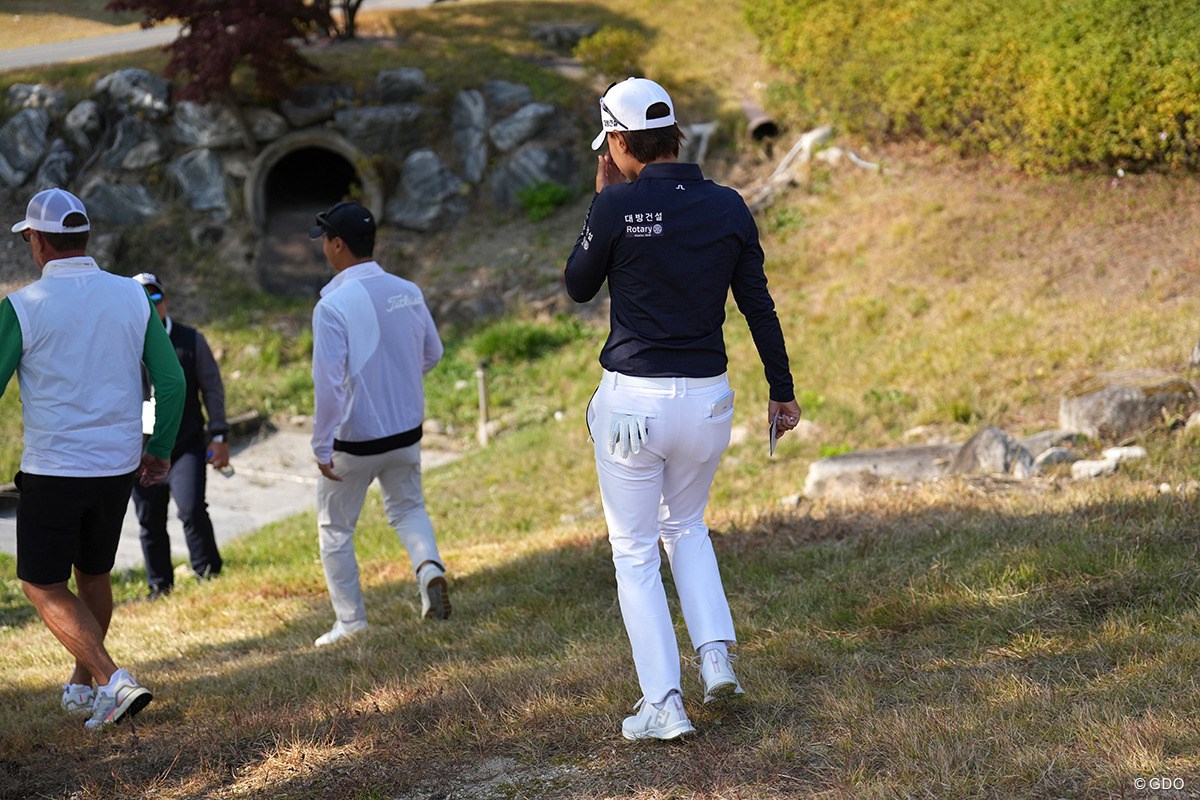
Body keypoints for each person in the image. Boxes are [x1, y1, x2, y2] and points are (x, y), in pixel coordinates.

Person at [564, 78, 803, 741]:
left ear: (617, 141)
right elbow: (758, 303)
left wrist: (601, 205)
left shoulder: (615, 206)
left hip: (632, 406)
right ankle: (717, 658)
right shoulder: (727, 204)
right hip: (708, 402)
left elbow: (577, 286)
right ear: (676, 134)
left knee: (636, 552)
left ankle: (664, 706)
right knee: (687, 526)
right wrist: (781, 390)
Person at [0, 188, 185, 728]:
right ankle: (85, 685)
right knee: (94, 573)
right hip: (117, 465)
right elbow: (170, 381)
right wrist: (160, 448)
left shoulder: (21, 307)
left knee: (40, 583)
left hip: (55, 467)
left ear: (37, 242)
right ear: (83, 238)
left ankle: (112, 678)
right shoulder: (132, 296)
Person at [307, 200, 451, 647]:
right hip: (406, 432)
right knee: (408, 508)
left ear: (337, 245)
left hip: (355, 440)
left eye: (325, 242)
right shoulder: (408, 289)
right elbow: (433, 354)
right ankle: (428, 569)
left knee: (335, 529)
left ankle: (351, 622)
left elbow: (329, 385)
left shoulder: (332, 305)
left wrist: (320, 443)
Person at [129, 272, 230, 600]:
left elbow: (212, 389)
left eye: (155, 298)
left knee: (190, 509)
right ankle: (159, 585)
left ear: (166, 300)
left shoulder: (190, 340)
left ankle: (208, 572)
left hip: (185, 445)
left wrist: (219, 434)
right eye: (142, 299)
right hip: (140, 447)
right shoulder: (123, 345)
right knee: (149, 519)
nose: (150, 305)